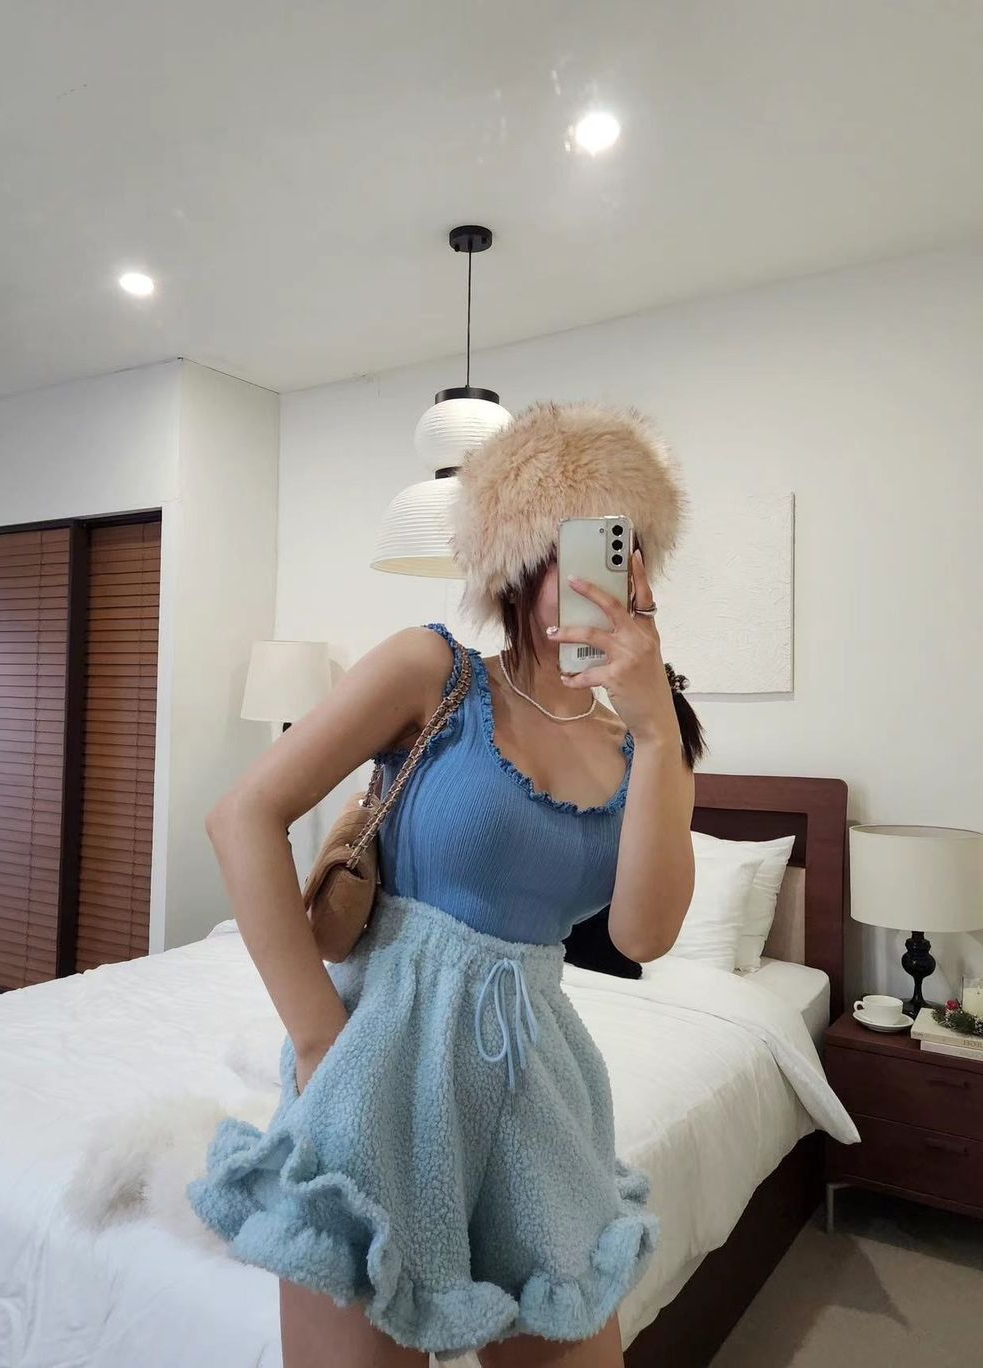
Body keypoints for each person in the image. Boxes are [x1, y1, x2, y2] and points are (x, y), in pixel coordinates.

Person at [188, 400, 706, 1368]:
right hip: (383, 1065)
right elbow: (242, 816)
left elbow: (642, 935)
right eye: (570, 546)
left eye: (618, 548)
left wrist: (652, 724)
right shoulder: (435, 673)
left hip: (538, 1083)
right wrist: (320, 1039)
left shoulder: (646, 742)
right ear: (516, 561)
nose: (596, 575)